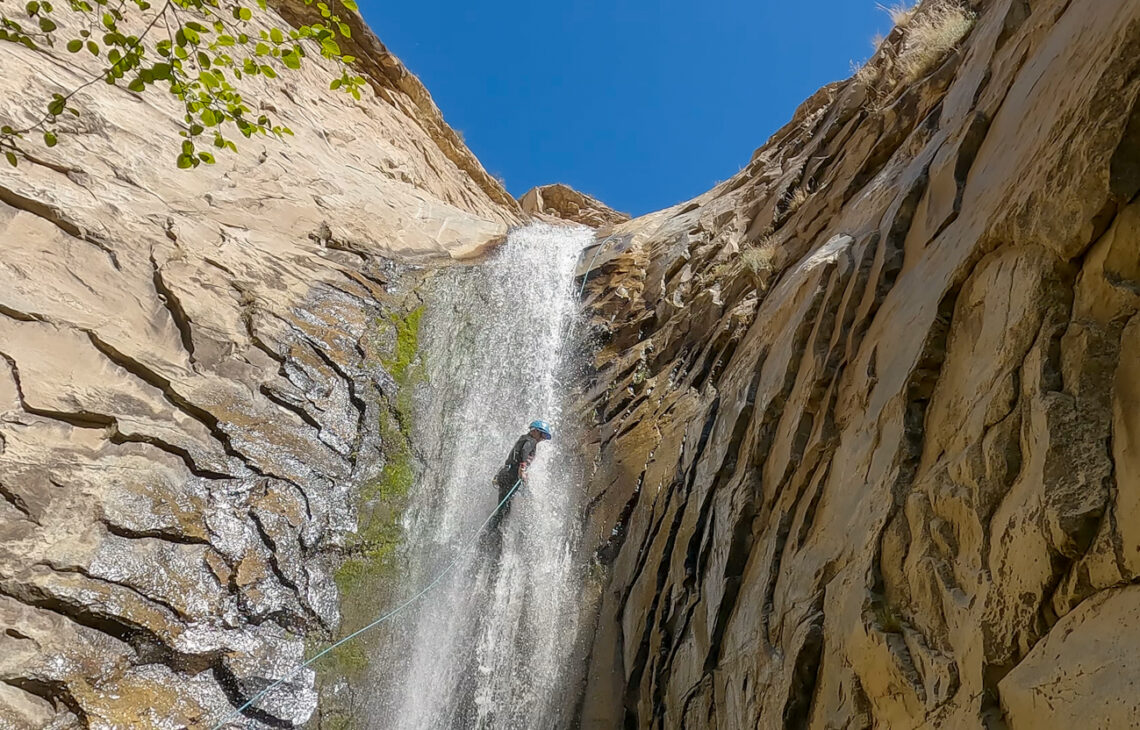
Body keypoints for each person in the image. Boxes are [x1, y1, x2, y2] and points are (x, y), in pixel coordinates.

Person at [488, 420, 553, 533]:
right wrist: (522, 469)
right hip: (510, 476)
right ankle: (490, 532)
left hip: (506, 474)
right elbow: (525, 450)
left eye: (545, 436)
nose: (542, 438)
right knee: (504, 511)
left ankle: (493, 532)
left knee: (505, 510)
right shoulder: (531, 441)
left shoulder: (523, 438)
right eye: (542, 434)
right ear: (535, 431)